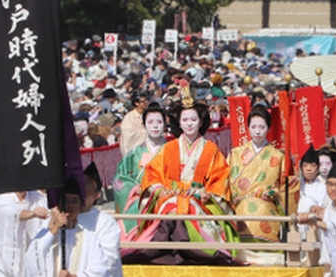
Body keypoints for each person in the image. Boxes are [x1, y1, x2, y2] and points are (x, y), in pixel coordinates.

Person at [125, 84, 238, 265]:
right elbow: (153, 173)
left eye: (193, 119)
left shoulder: (210, 149)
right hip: (170, 196)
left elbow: (220, 177)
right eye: (185, 120)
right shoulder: (169, 148)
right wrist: (159, 189)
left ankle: (191, 251)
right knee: (172, 207)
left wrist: (206, 192)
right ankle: (166, 250)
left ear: (201, 122)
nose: (189, 123)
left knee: (187, 208)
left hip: (200, 199)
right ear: (179, 123)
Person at [227, 104, 286, 264]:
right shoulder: (235, 154)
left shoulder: (278, 156)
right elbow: (227, 184)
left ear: (268, 128)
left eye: (262, 126)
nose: (257, 131)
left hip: (266, 207)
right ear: (248, 128)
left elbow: (285, 188)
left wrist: (274, 193)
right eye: (253, 126)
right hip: (240, 206)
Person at [25, 179, 110, 277]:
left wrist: (73, 276)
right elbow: (33, 255)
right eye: (66, 201)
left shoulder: (89, 238)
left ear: (80, 206)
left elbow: (100, 270)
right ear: (60, 205)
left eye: (74, 201)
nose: (70, 206)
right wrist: (56, 227)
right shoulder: (47, 233)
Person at [113, 103, 166, 233]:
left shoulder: (173, 151)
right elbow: (120, 181)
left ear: (165, 124)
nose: (155, 126)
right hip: (139, 201)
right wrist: (136, 190)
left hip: (165, 201)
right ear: (144, 125)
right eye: (150, 122)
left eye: (159, 122)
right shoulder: (133, 153)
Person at [0, 191, 48, 277]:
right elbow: (12, 213)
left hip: (28, 265)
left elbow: (48, 215)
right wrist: (33, 214)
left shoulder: (38, 197)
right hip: (1, 267)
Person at [78, 163, 123, 277]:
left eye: (86, 182)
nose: (81, 186)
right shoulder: (65, 218)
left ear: (97, 194)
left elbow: (109, 260)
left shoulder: (105, 222)